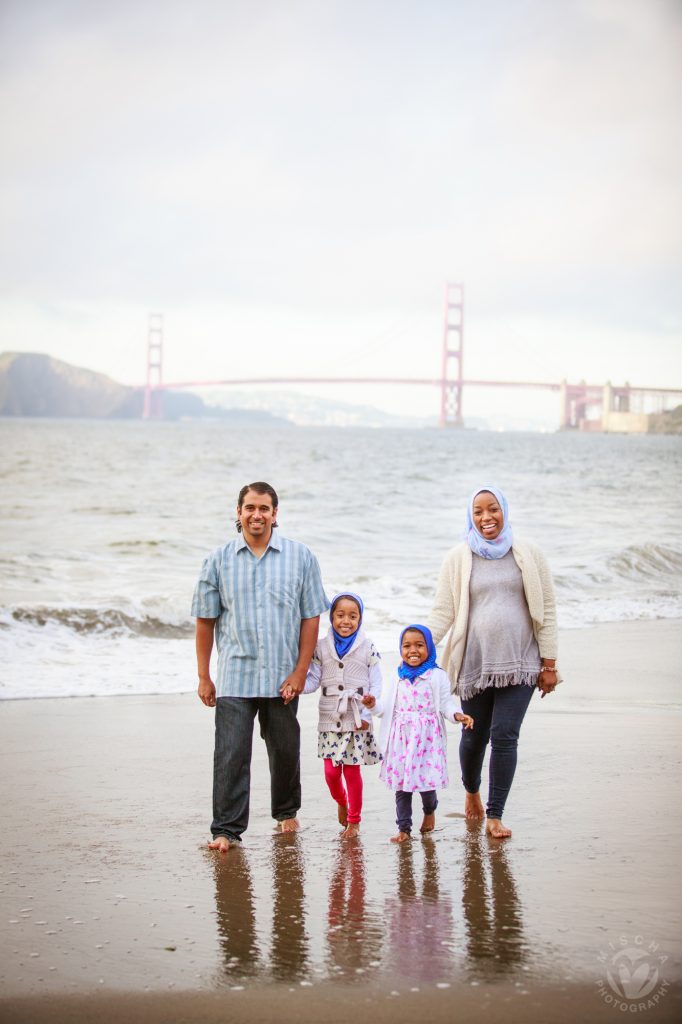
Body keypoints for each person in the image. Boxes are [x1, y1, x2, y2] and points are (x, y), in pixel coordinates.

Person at [192, 481, 329, 851]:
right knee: (231, 754)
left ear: (274, 514)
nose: (257, 515)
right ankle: (225, 830)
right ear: (238, 513)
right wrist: (204, 676)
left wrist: (301, 671)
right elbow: (205, 621)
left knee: (284, 750)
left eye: (264, 508)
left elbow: (311, 616)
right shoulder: (218, 561)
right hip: (236, 674)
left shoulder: (301, 557)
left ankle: (286, 812)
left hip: (283, 676)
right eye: (250, 507)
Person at [428, 486, 560, 839]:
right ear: (470, 516)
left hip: (521, 661)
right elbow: (444, 610)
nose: (486, 518)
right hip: (475, 662)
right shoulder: (458, 557)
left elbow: (546, 608)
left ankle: (495, 815)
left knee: (505, 735)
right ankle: (471, 790)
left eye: (493, 510)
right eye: (478, 512)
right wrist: (420, 646)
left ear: (504, 510)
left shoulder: (529, 553)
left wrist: (549, 664)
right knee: (474, 736)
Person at [288, 592, 381, 837]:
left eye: (353, 616)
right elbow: (313, 680)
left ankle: (354, 822)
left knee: (351, 771)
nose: (346, 621)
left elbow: (376, 683)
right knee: (331, 773)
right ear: (332, 617)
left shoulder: (368, 646)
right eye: (340, 615)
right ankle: (342, 801)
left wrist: (370, 708)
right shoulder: (321, 646)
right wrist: (294, 688)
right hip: (329, 718)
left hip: (356, 718)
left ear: (360, 618)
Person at [371, 624, 473, 843]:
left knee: (426, 785)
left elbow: (446, 705)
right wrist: (372, 705)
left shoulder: (437, 676)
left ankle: (429, 810)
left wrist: (458, 715)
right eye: (406, 646)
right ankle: (404, 829)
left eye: (419, 645)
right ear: (400, 649)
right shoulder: (395, 676)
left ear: (429, 648)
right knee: (402, 786)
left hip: (427, 740)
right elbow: (384, 710)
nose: (413, 650)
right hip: (401, 740)